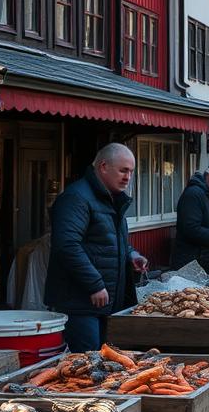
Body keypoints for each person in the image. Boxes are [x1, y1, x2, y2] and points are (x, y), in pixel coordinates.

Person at [45, 143, 148, 352]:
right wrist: (94, 284)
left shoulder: (111, 199)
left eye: (131, 172)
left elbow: (111, 241)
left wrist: (132, 255)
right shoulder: (76, 198)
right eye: (123, 170)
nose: (128, 177)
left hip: (105, 304)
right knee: (88, 363)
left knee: (105, 361)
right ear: (103, 167)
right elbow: (66, 245)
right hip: (80, 304)